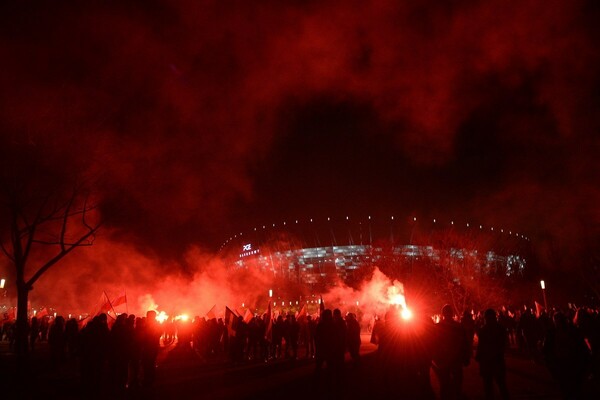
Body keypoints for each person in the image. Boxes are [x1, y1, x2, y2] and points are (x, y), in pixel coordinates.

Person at [433, 304, 469, 400]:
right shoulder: (458, 327)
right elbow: (465, 344)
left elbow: (433, 344)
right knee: (456, 382)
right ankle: (456, 395)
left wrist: (435, 358)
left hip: (444, 360)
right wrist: (466, 357)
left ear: (442, 314)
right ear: (452, 313)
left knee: (445, 384)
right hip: (455, 359)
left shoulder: (437, 327)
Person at [476, 309, 510, 400]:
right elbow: (506, 344)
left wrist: (478, 357)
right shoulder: (500, 328)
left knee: (489, 386)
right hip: (497, 360)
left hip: (488, 361)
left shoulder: (484, 330)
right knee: (501, 385)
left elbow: (481, 346)